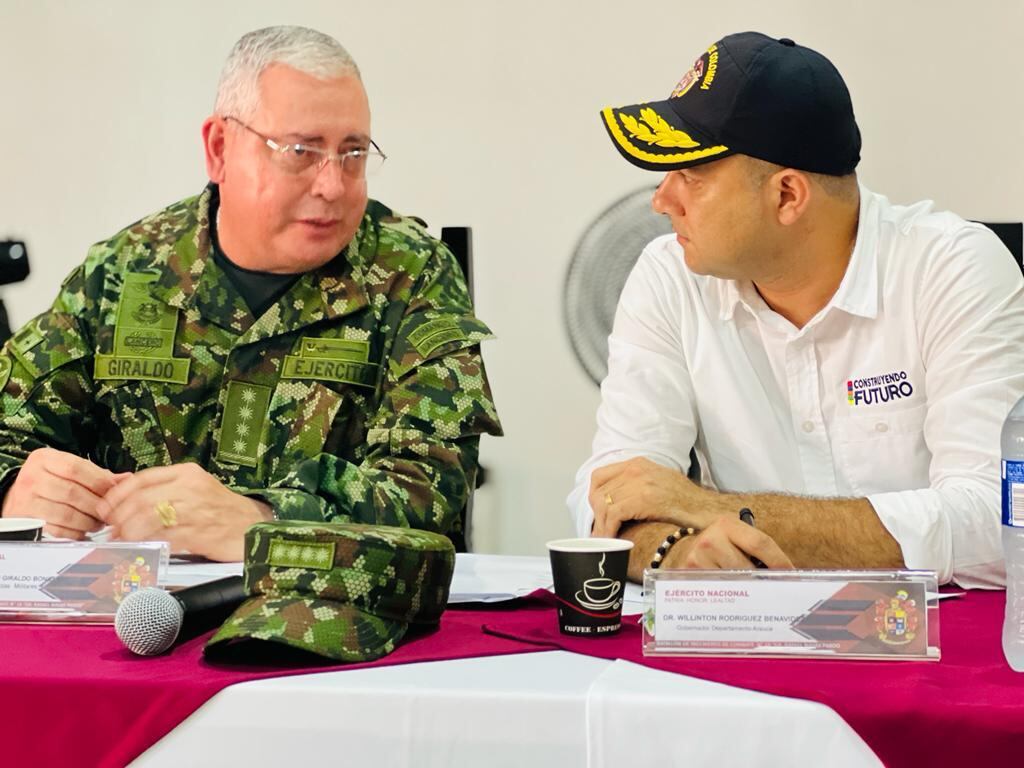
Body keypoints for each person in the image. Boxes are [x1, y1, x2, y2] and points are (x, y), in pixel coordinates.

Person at [0, 26, 501, 561]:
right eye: (301, 151)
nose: (332, 185)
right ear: (219, 149)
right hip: (135, 615)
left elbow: (430, 492)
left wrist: (263, 521)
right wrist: (13, 489)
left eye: (353, 153)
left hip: (324, 621)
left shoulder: (410, 273)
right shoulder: (125, 273)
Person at [567, 31, 1024, 587]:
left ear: (787, 195)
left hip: (937, 649)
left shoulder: (952, 268)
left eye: (690, 176)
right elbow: (615, 495)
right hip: (745, 642)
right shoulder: (669, 276)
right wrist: (679, 553)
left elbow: (996, 521)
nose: (661, 201)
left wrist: (710, 509)